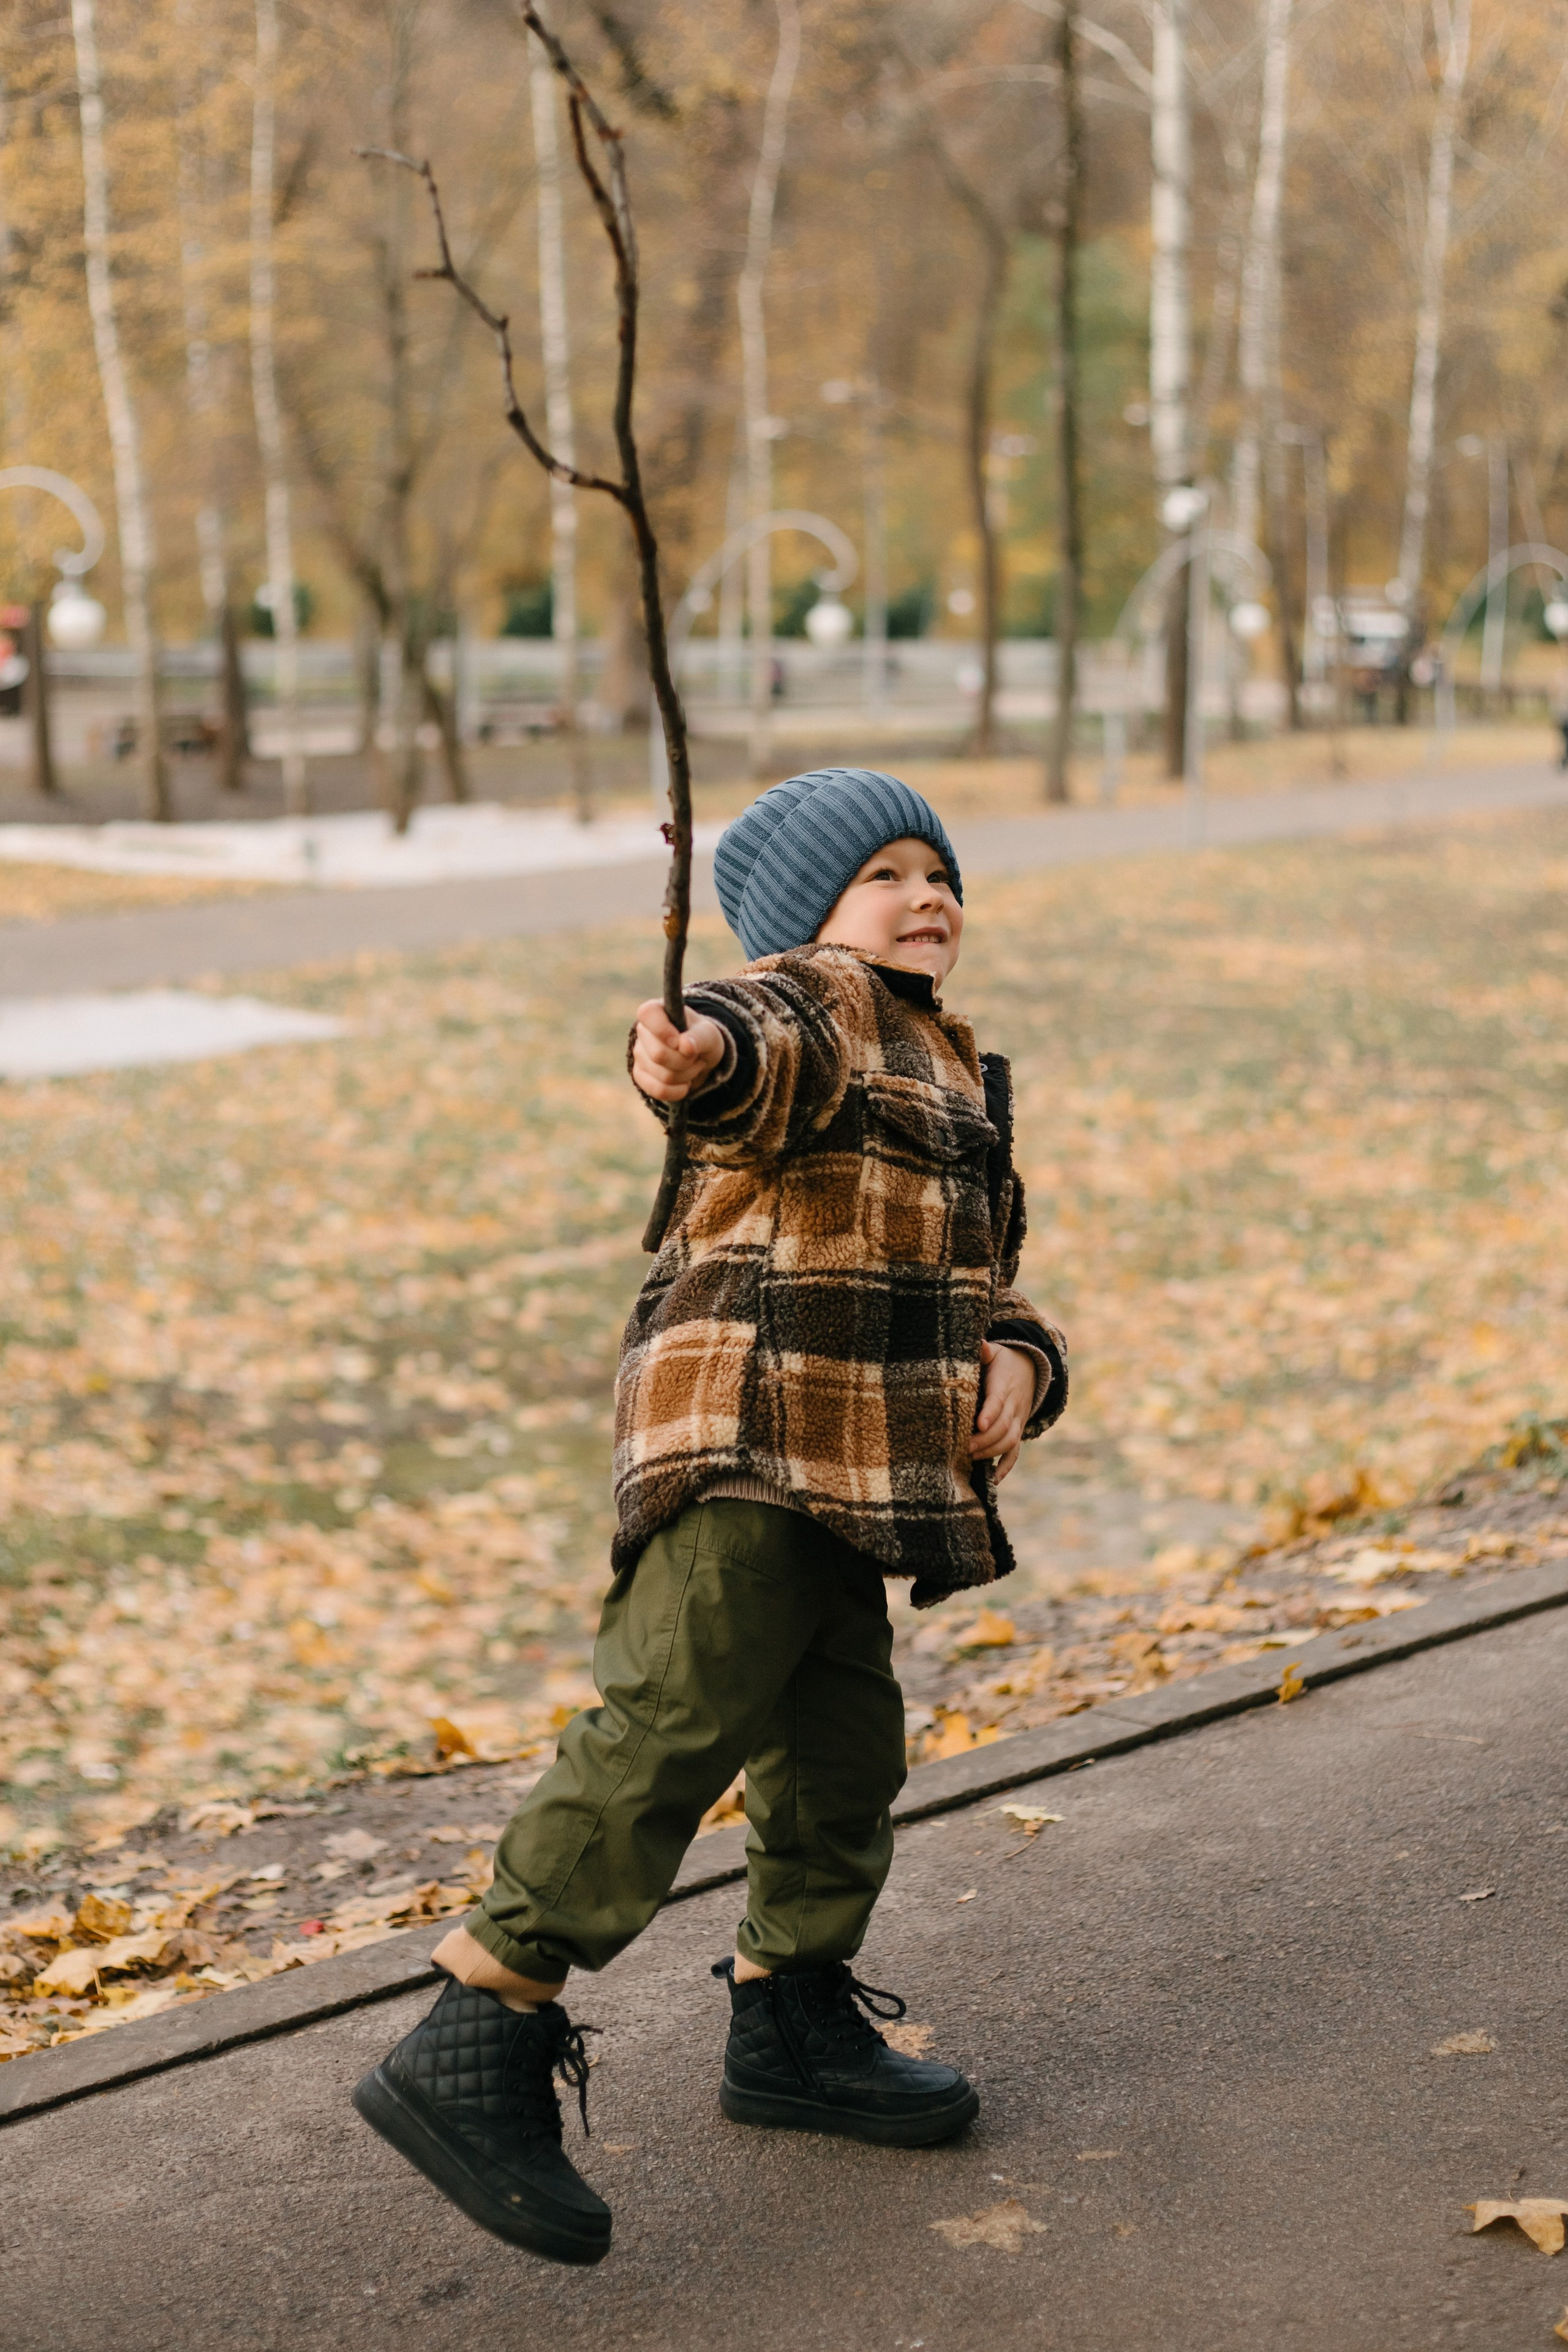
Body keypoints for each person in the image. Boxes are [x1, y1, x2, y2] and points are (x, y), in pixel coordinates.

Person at [351, 766, 1068, 2266]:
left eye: (941, 873)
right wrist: (688, 1051)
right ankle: (479, 2017)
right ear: (807, 915)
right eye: (883, 873)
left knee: (837, 1754)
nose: (925, 895)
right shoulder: (812, 1002)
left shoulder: (951, 1065)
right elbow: (742, 1061)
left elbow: (974, 1272)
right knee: (669, 1717)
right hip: (745, 1432)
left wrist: (1013, 1352)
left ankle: (790, 2017)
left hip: (848, 1473)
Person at [1550, 658, 1568, 767]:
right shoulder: (1560, 676)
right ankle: (1564, 758)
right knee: (1564, 737)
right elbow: (1554, 694)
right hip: (1563, 713)